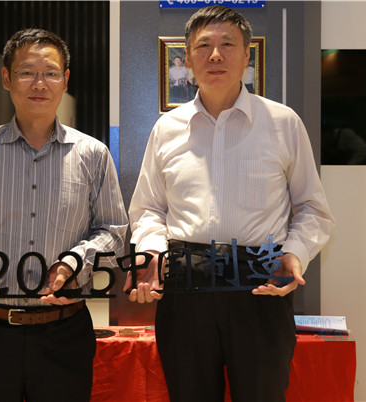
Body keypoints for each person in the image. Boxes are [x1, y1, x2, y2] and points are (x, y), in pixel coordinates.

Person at [125, 6, 334, 402]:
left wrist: (294, 253)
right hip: (185, 285)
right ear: (188, 60)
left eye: (228, 45)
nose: (216, 55)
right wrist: (150, 252)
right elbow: (148, 208)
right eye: (203, 46)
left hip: (260, 284)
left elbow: (312, 208)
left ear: (247, 55)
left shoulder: (283, 123)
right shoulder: (167, 129)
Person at [0, 28, 128, 402]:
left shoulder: (93, 154)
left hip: (64, 334)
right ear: (6, 78)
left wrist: (75, 263)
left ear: (65, 80)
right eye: (27, 72)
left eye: (50, 73)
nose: (39, 83)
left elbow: (112, 229)